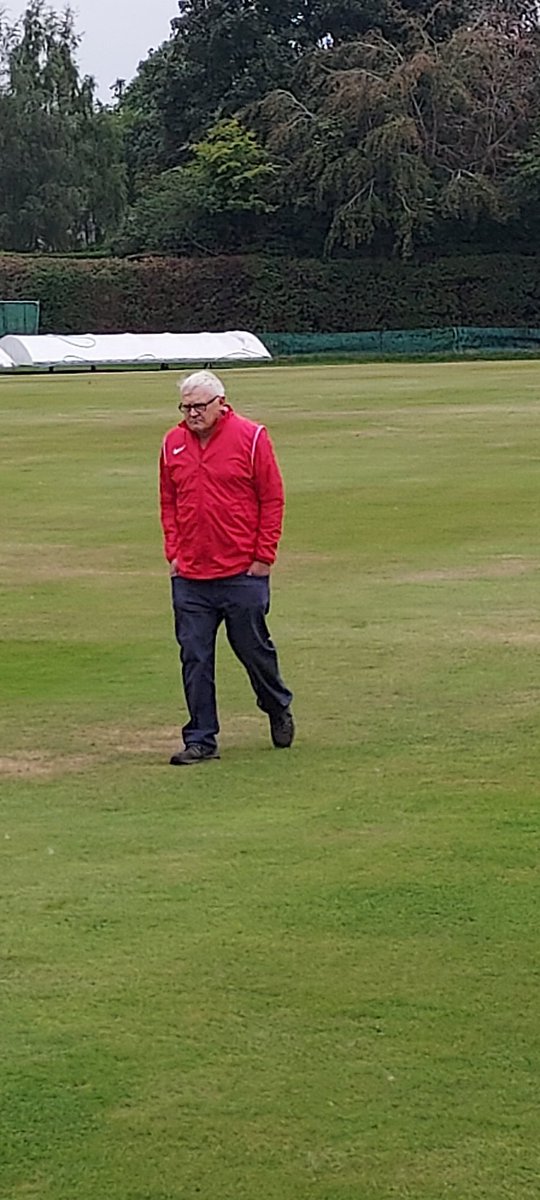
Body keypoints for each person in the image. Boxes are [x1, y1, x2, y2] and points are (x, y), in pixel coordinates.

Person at [159, 370, 294, 765]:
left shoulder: (252, 438)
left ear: (221, 402)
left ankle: (276, 705)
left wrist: (263, 556)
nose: (192, 414)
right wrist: (174, 552)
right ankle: (201, 739)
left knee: (253, 650)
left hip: (242, 573)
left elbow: (272, 499)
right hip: (191, 575)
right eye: (185, 407)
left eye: (199, 406)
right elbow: (169, 501)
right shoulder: (172, 443)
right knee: (195, 655)